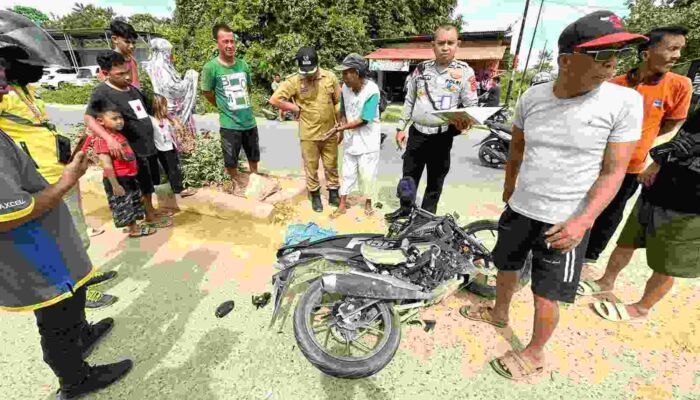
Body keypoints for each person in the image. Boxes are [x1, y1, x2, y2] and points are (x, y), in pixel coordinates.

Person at [459, 11, 646, 380]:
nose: (611, 62)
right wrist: (510, 190)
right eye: (599, 54)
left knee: (548, 294)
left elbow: (614, 171)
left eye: (618, 53)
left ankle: (535, 352)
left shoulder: (624, 103)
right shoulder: (533, 97)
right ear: (565, 60)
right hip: (521, 208)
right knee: (506, 265)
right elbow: (517, 149)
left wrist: (583, 221)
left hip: (565, 220)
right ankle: (499, 314)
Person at [0, 47, 133, 398]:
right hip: (29, 234)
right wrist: (66, 181)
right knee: (55, 307)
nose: (4, 83)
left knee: (72, 290)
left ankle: (83, 335)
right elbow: (10, 214)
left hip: (46, 210)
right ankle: (74, 380)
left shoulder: (21, 98)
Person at [0, 10, 118, 309]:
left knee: (77, 230)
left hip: (62, 172)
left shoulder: (27, 90)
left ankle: (84, 277)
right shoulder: (5, 95)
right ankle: (79, 293)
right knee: (64, 241)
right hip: (42, 182)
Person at [578, 26, 693, 293]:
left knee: (611, 214)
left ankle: (588, 259)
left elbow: (671, 127)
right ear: (646, 52)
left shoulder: (679, 86)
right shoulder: (613, 85)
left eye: (680, 50)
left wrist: (643, 149)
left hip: (631, 168)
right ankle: (569, 250)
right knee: (583, 206)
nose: (677, 55)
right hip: (595, 163)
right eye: (672, 48)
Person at [589, 110, 700, 322]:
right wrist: (655, 163)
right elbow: (681, 138)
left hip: (691, 206)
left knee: (667, 263)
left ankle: (641, 308)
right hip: (658, 187)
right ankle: (606, 281)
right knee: (627, 242)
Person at [386, 24, 477, 217]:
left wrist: (465, 122)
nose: (445, 47)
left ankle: (425, 218)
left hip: (442, 137)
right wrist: (401, 128)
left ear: (457, 44)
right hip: (417, 134)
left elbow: (471, 107)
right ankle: (405, 209)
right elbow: (409, 100)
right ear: (433, 45)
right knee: (408, 176)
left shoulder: (465, 72)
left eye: (450, 43)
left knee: (435, 181)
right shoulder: (420, 69)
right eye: (441, 43)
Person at [86, 51, 174, 229]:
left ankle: (150, 210)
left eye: (127, 72)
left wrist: (171, 120)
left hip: (146, 145)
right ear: (105, 73)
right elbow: (89, 119)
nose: (126, 76)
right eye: (120, 74)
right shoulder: (101, 92)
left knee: (148, 181)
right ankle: (146, 215)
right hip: (129, 149)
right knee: (138, 183)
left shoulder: (132, 90)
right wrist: (109, 139)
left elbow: (147, 112)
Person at [270, 46, 342, 212]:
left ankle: (333, 193)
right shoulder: (294, 80)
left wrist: (340, 127)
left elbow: (338, 102)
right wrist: (295, 109)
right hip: (308, 133)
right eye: (305, 70)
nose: (308, 74)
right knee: (311, 167)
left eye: (311, 70)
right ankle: (315, 195)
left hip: (330, 131)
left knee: (331, 164)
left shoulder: (330, 77)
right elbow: (275, 99)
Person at [201, 23, 260, 197]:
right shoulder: (210, 68)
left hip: (249, 120)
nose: (230, 45)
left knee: (253, 154)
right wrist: (222, 107)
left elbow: (247, 89)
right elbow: (207, 92)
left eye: (232, 41)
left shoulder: (243, 65)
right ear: (217, 43)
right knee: (231, 159)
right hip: (229, 124)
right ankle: (236, 186)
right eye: (225, 41)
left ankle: (255, 181)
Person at [325, 53, 381, 218]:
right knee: (347, 173)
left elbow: (364, 119)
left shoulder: (372, 90)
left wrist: (339, 129)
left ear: (356, 73)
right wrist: (341, 128)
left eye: (346, 72)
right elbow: (343, 110)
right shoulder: (344, 88)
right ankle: (342, 205)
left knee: (367, 174)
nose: (343, 76)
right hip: (351, 140)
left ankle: (368, 203)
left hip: (368, 141)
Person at [90, 98, 154, 238]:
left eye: (120, 118)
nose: (119, 121)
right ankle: (134, 230)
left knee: (132, 202)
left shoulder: (117, 135)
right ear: (100, 121)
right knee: (123, 204)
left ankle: (132, 226)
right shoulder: (103, 140)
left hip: (129, 176)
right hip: (118, 179)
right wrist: (115, 185)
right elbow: (106, 164)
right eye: (114, 118)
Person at [142, 37, 199, 137]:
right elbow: (172, 88)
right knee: (178, 137)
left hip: (163, 106)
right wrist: (189, 79)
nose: (170, 54)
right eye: (168, 52)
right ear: (162, 52)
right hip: (171, 110)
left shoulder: (155, 65)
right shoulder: (161, 67)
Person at [151, 94, 197, 198]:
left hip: (170, 146)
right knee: (169, 169)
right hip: (160, 148)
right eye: (164, 106)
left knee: (174, 167)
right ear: (156, 107)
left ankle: (177, 188)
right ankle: (177, 189)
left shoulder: (166, 119)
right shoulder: (152, 120)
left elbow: (176, 126)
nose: (166, 108)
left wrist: (177, 125)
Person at [98, 19, 141, 89]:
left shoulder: (131, 59)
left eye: (133, 43)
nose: (132, 46)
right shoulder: (109, 61)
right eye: (127, 42)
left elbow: (136, 83)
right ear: (115, 39)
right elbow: (106, 89)